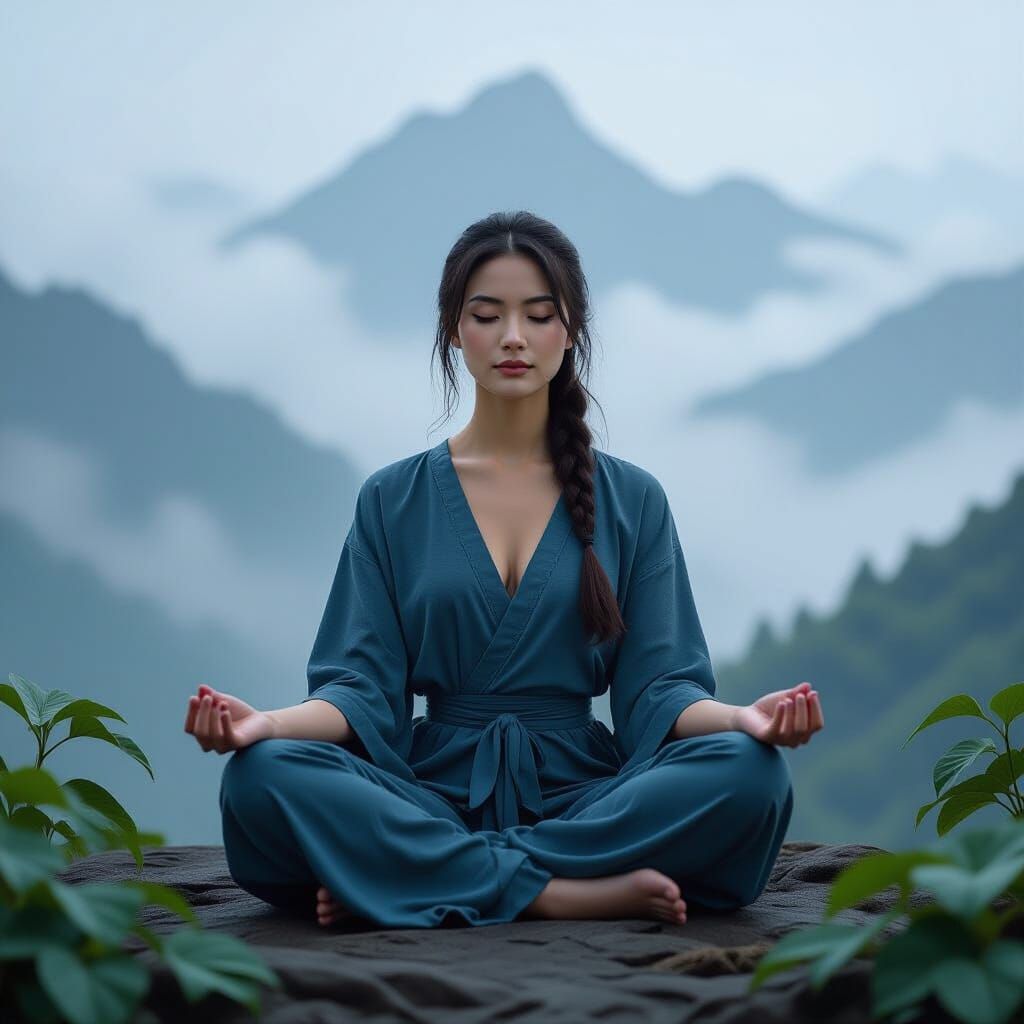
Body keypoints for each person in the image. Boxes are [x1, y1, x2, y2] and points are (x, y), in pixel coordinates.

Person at [185, 210, 824, 930]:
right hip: (425, 793)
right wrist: (262, 724)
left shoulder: (633, 499)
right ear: (454, 330)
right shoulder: (393, 499)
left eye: (538, 315)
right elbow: (359, 691)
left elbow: (661, 689)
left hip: (584, 797)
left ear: (571, 328)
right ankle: (554, 892)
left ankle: (418, 875)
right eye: (487, 315)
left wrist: (746, 718)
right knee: (262, 777)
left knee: (750, 774)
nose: (513, 337)